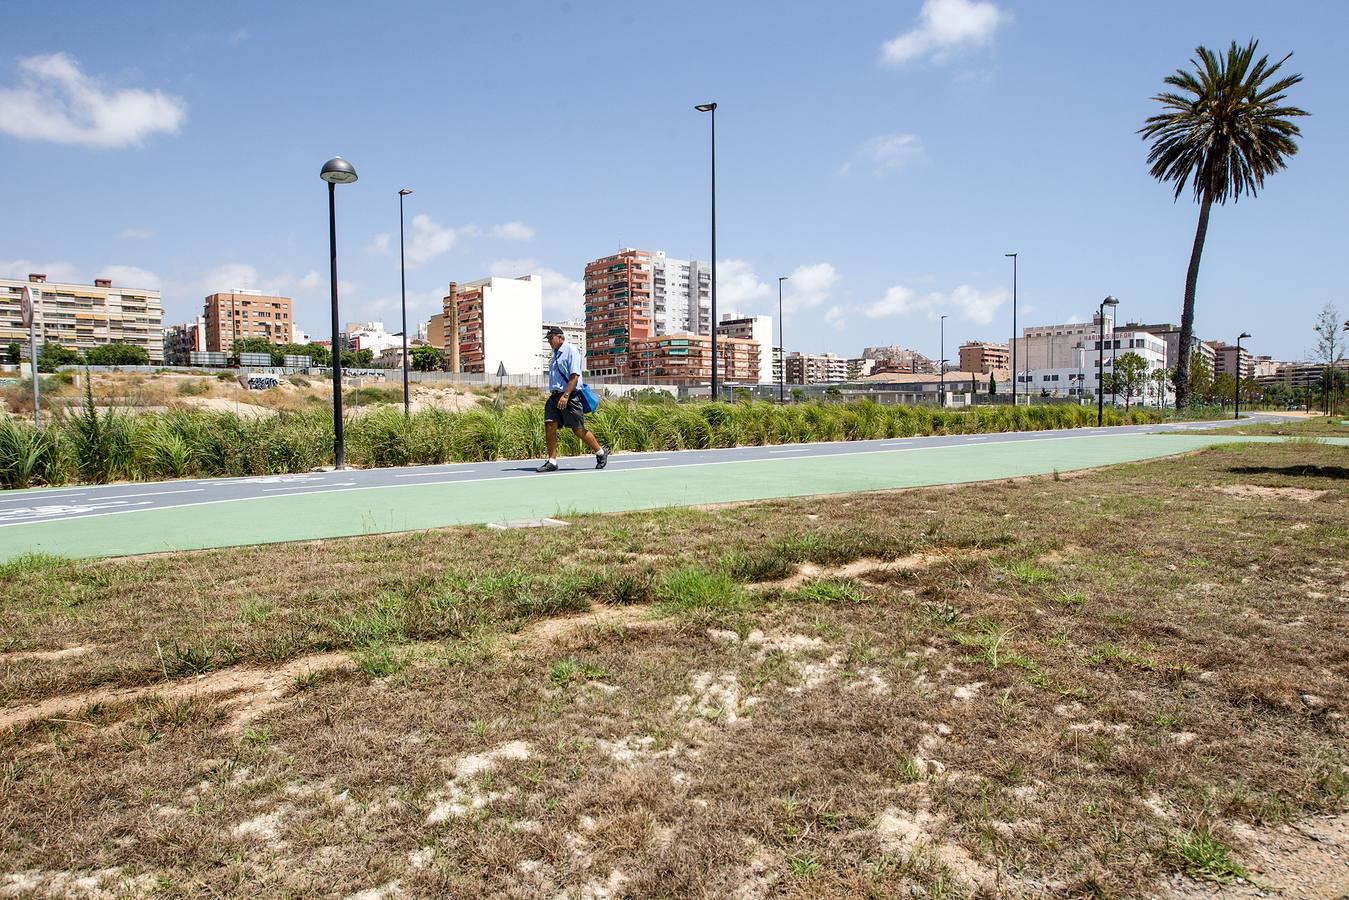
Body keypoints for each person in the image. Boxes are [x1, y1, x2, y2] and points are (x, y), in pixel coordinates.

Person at [538, 326, 608, 472]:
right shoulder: (555, 355)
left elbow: (574, 376)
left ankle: (600, 452)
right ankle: (552, 461)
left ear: (560, 337)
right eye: (548, 339)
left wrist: (566, 395)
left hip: (569, 395)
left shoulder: (571, 350)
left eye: (551, 338)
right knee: (549, 425)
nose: (549, 341)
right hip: (554, 396)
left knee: (578, 430)